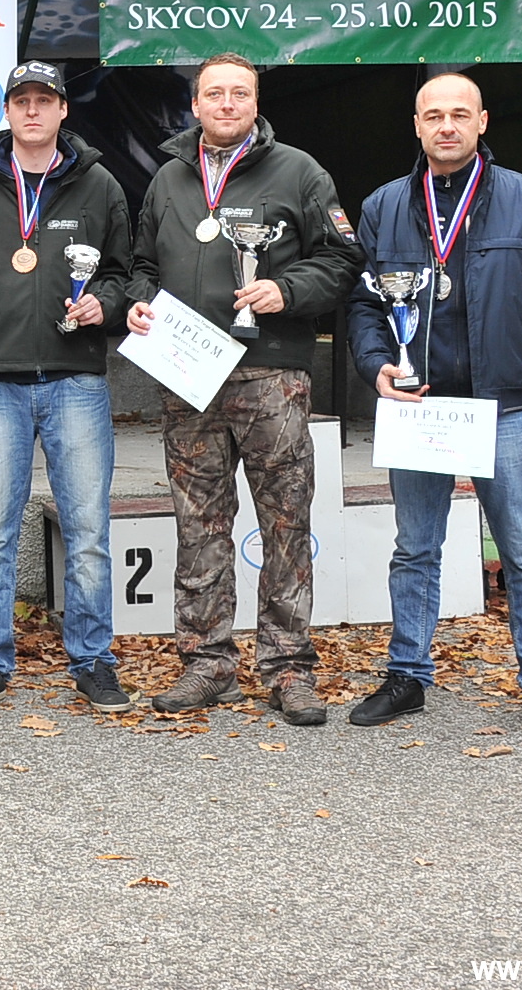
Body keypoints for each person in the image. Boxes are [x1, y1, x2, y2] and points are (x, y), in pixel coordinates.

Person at [346, 73, 522, 743]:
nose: (447, 125)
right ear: (417, 125)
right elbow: (365, 304)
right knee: (415, 548)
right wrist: (376, 366)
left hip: (504, 407)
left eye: (460, 114)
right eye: (434, 115)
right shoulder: (384, 205)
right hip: (420, 406)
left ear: (482, 122)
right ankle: (407, 675)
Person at [126, 53, 361, 726]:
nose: (226, 104)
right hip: (188, 378)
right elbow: (143, 263)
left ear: (256, 104)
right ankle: (207, 663)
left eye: (239, 93)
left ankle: (289, 668)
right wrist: (139, 301)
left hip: (272, 375)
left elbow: (343, 258)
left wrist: (286, 289)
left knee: (285, 523)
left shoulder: (300, 172)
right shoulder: (169, 178)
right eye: (214, 93)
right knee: (198, 524)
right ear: (195, 105)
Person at [0, 63, 136, 717]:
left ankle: (94, 660)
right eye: (21, 101)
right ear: (8, 111)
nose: (32, 111)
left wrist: (103, 304)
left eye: (44, 100)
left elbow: (125, 272)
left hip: (76, 379)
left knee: (88, 529)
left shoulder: (99, 184)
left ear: (63, 110)